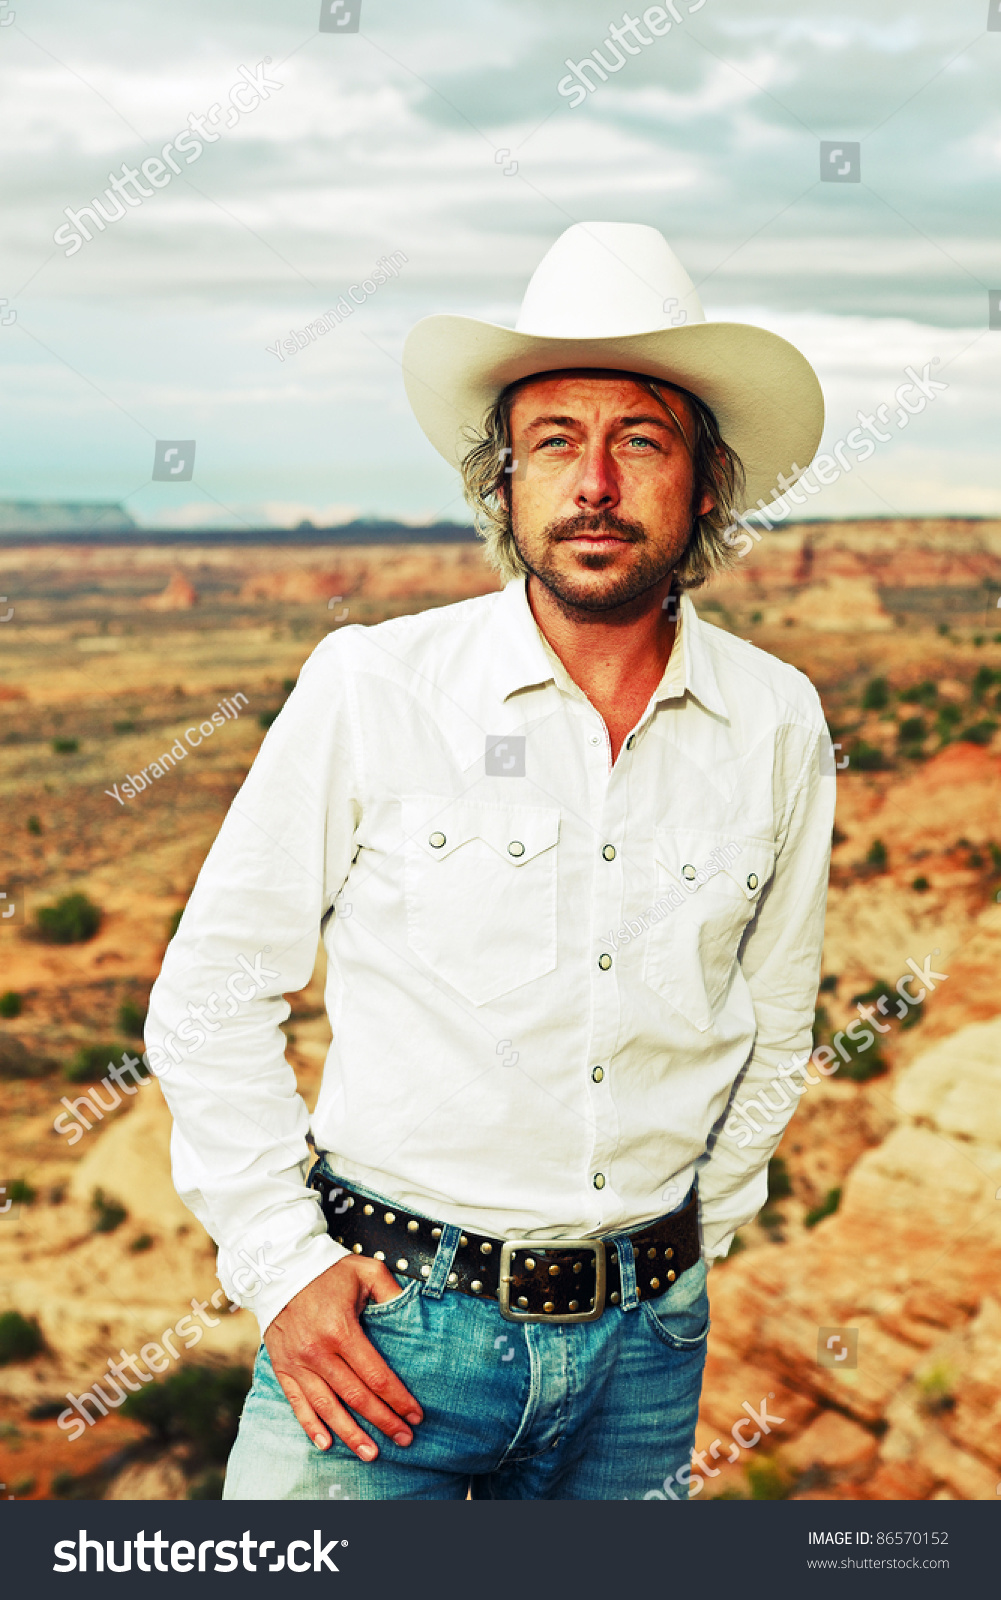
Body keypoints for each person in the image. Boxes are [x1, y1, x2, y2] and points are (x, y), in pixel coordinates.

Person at [146, 221, 835, 1500]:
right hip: (384, 1335)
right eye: (552, 443)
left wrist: (688, 1252)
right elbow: (207, 995)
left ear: (701, 483)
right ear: (503, 482)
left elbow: (775, 1021)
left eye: (639, 439)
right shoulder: (375, 682)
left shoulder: (777, 718)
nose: (594, 482)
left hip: (642, 1358)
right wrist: (281, 1264)